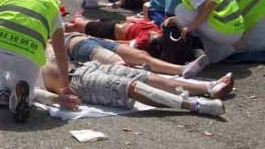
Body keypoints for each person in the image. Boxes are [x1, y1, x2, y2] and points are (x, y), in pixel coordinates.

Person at [41, 48, 231, 118]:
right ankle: (197, 105)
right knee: (130, 87)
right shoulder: (13, 62)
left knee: (147, 78)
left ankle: (208, 88)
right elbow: (28, 91)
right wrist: (58, 99)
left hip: (85, 67)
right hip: (78, 82)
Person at [164, 0, 244, 63]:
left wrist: (189, 28)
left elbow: (210, 3)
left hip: (226, 31)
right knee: (189, 15)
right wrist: (176, 20)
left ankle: (207, 52)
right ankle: (222, 50)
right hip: (237, 27)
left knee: (181, 10)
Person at [61, 28, 210, 77]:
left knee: (143, 57)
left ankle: (182, 69)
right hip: (74, 45)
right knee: (118, 63)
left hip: (93, 38)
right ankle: (139, 73)